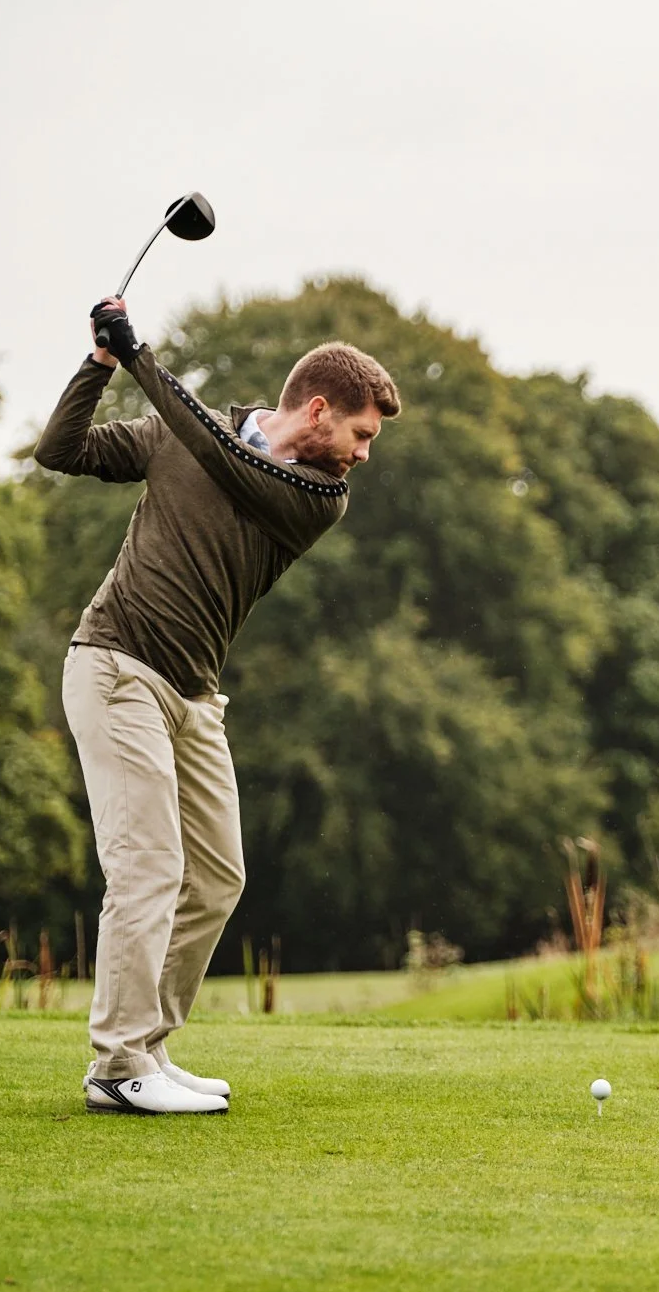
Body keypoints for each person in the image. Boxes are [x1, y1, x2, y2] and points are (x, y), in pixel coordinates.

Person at [35, 297, 398, 1115]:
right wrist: (101, 363)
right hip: (117, 666)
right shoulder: (176, 434)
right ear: (318, 410)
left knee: (218, 877)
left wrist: (143, 358)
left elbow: (226, 458)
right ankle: (118, 1064)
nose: (365, 455)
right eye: (363, 433)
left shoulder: (315, 494)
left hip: (195, 697)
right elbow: (60, 450)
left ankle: (147, 1049)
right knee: (150, 868)